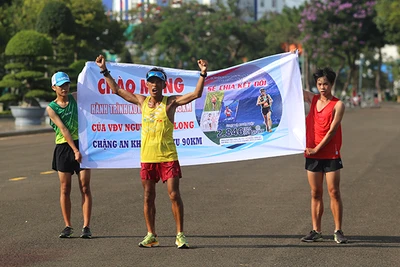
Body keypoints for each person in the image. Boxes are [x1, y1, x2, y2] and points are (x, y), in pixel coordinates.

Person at [95, 54, 208, 249]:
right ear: (146, 85)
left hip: (168, 157)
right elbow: (117, 90)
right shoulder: (141, 101)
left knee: (173, 194)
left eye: (158, 82)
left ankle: (180, 235)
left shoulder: (170, 102)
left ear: (164, 85)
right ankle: (151, 235)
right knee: (148, 196)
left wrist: (203, 74)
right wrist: (104, 70)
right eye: (151, 82)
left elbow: (196, 94)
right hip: (148, 157)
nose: (154, 85)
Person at [301, 67, 348, 244]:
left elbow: (331, 131)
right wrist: (290, 60)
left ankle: (338, 230)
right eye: (319, 84)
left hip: (330, 155)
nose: (322, 87)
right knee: (315, 192)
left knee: (334, 192)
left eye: (326, 84)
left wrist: (317, 149)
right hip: (312, 154)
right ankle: (316, 230)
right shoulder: (312, 99)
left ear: (331, 84)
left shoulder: (338, 105)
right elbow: (293, 89)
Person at [47, 72, 92, 239]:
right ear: (54, 88)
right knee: (65, 188)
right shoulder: (51, 108)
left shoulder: (75, 97)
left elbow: (95, 93)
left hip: (82, 145)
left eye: (66, 84)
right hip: (65, 149)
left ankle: (86, 226)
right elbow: (64, 130)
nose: (64, 88)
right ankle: (68, 225)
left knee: (85, 186)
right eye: (60, 85)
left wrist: (99, 72)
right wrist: (75, 150)